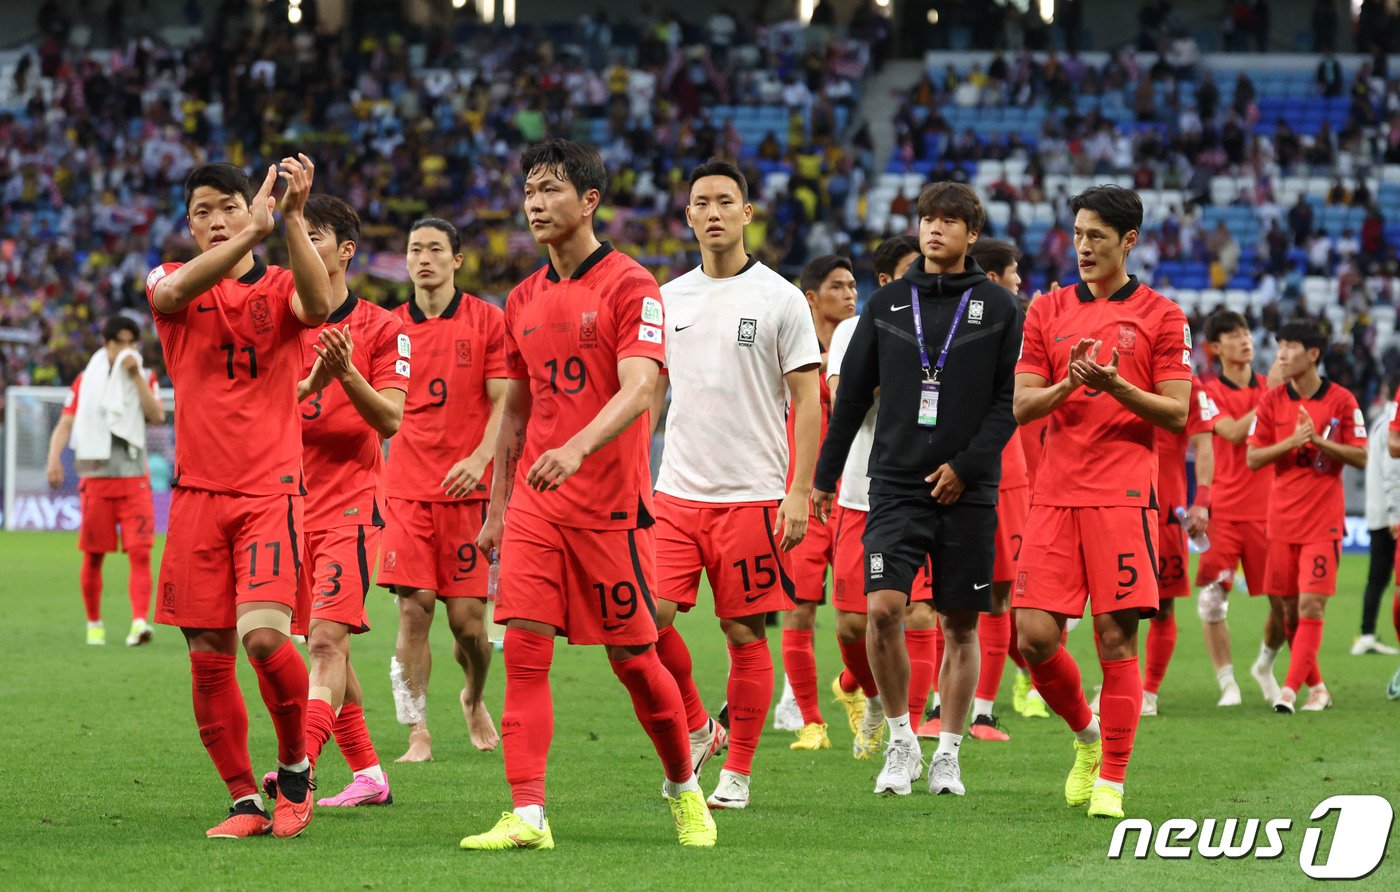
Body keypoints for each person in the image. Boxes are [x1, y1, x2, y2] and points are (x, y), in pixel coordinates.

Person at [461, 139, 715, 850]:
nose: (535, 203)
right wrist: (497, 508)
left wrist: (576, 447)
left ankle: (684, 789)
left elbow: (641, 389)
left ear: (590, 200)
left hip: (611, 507)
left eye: (551, 189)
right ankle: (528, 814)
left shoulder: (632, 286)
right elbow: (514, 409)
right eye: (529, 191)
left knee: (636, 660)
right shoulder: (522, 298)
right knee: (525, 651)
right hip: (540, 507)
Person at [814, 182, 1022, 798]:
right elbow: (851, 397)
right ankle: (902, 739)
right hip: (898, 484)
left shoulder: (1000, 308)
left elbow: (1009, 403)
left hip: (971, 489)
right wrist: (824, 478)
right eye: (928, 219)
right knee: (882, 610)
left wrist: (967, 466)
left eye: (950, 221)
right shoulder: (885, 305)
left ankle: (949, 753)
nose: (935, 230)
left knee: (961, 625)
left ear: (971, 234)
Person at [146, 158, 332, 839]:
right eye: (203, 211)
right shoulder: (170, 281)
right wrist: (248, 230)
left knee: (262, 638)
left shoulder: (282, 283)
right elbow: (168, 300)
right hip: (196, 492)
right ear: (189, 223)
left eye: (227, 206)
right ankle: (243, 800)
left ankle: (294, 769)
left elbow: (316, 308)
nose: (217, 219)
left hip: (269, 490)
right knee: (207, 652)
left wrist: (286, 219)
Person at [1012, 185, 1193, 820]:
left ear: (1129, 242)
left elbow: (1176, 413)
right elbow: (1023, 405)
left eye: (1097, 237)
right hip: (1056, 495)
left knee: (1115, 638)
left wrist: (1117, 385)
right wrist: (1070, 383)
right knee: (1033, 636)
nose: (1083, 247)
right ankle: (1088, 738)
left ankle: (1112, 779)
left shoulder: (1163, 315)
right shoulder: (1047, 311)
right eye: (1078, 234)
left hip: (1122, 496)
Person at [647, 160, 821, 807]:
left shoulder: (779, 298)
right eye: (701, 202)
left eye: (726, 201)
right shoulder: (668, 300)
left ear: (747, 214)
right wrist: (638, 478)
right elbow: (651, 394)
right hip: (676, 493)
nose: (713, 212)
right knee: (643, 623)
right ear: (687, 216)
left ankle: (738, 773)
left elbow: (808, 399)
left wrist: (798, 489)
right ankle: (698, 725)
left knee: (745, 634)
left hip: (751, 495)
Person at [269, 195, 407, 807]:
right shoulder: (281, 319)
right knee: (328, 646)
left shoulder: (383, 328)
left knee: (324, 643)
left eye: (316, 236)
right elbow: (264, 412)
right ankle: (371, 775)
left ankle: (298, 769)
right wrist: (309, 383)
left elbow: (391, 421)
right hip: (286, 505)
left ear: (345, 250)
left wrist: (344, 373)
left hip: (351, 505)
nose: (305, 247)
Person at [378, 217, 507, 762]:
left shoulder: (487, 321)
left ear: (457, 259)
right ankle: (418, 731)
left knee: (469, 626)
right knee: (415, 610)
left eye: (435, 249)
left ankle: (474, 696)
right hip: (404, 490)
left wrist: (480, 459)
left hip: (467, 495)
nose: (423, 258)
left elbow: (506, 401)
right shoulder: (386, 328)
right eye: (415, 249)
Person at [825, 235, 941, 760]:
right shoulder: (854, 327)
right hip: (856, 490)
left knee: (917, 613)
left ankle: (907, 737)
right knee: (854, 622)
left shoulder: (943, 328)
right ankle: (873, 696)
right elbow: (839, 395)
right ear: (890, 282)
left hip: (918, 490)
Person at [1249, 319, 1367, 713]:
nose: (1281, 353)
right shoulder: (1271, 402)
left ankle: (1289, 690)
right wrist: (1293, 442)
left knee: (1311, 606)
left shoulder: (1342, 401)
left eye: (1291, 345)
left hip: (1323, 522)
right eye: (1280, 345)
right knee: (1287, 612)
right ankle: (1318, 688)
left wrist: (1318, 441)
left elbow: (1362, 456)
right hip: (1281, 521)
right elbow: (1253, 458)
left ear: (1313, 354)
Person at [773, 254, 855, 750]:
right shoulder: (787, 347)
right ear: (811, 298)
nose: (850, 295)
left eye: (852, 287)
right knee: (799, 610)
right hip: (802, 495)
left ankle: (852, 686)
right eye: (838, 287)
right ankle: (810, 721)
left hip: (857, 495)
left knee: (864, 617)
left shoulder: (868, 344)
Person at [46, 316, 164, 647]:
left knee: (141, 552)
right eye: (121, 342)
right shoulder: (85, 380)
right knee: (94, 556)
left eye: (132, 343)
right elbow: (66, 423)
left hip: (133, 479)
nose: (127, 349)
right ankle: (94, 624)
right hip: (96, 478)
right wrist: (53, 458)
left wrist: (135, 376)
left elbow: (156, 416)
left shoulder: (145, 376)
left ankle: (139, 622)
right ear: (106, 344)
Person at [1196, 311, 1283, 705]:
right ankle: (1227, 682)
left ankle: (1265, 665)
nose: (1244, 339)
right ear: (1215, 348)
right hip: (1226, 511)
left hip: (1271, 512)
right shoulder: (1209, 390)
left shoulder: (1273, 386)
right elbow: (1231, 432)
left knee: (1285, 605)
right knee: (1212, 600)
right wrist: (1271, 398)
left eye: (1246, 332)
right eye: (1232, 334)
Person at [1139, 375, 1217, 715]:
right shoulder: (1118, 368)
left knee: (1163, 606)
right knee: (1107, 608)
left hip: (1166, 509)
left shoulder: (1189, 385)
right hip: (1116, 501)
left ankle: (1149, 692)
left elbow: (1204, 445)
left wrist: (1202, 500)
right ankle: (1119, 685)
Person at [1356, 373, 1400, 656]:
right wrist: (1396, 513)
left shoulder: (1380, 424)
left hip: (1379, 511)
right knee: (1382, 578)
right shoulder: (1389, 428)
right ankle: (1367, 633)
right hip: (1390, 514)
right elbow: (1392, 470)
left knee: (1378, 577)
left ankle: (1367, 633)